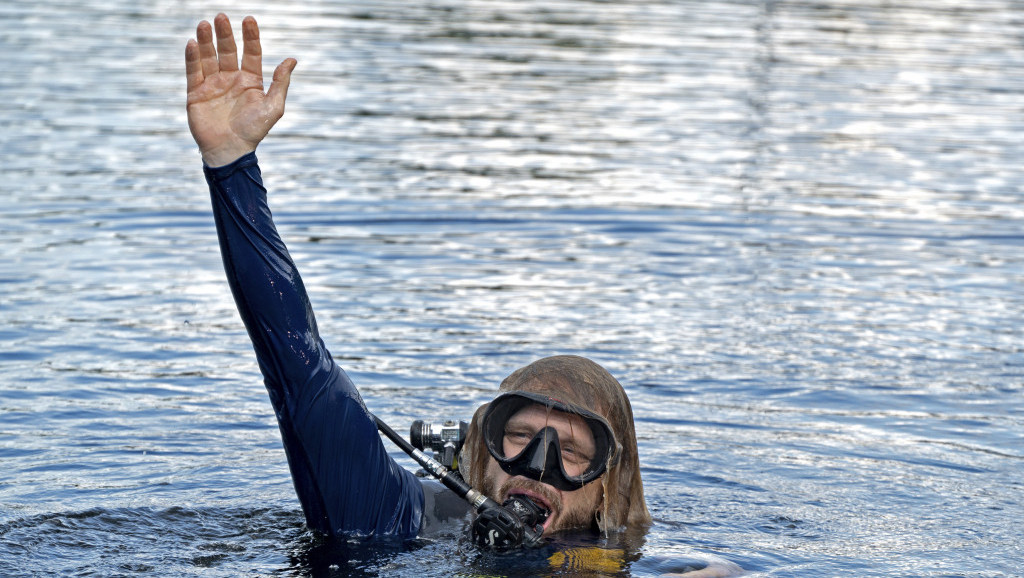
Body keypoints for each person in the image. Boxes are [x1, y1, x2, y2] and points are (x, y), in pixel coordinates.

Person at [186, 14, 740, 576]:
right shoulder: (397, 517)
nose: (535, 468)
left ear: (608, 488)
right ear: (482, 450)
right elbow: (299, 363)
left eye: (571, 452)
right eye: (518, 436)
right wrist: (233, 167)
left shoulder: (637, 561)